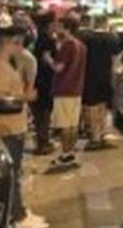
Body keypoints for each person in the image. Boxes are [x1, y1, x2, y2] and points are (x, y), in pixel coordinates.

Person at [0, 27, 48, 228]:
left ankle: (19, 211)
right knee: (12, 174)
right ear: (7, 44)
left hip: (9, 127)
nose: (20, 48)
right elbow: (0, 100)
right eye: (18, 43)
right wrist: (26, 97)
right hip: (6, 128)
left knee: (15, 172)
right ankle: (17, 216)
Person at [45, 17, 87, 169]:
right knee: (73, 124)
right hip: (76, 89)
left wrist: (48, 59)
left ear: (67, 28)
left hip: (64, 89)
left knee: (64, 125)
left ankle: (65, 154)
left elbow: (59, 68)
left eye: (59, 26)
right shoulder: (81, 45)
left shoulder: (67, 45)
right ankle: (70, 153)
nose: (56, 29)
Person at [79, 15, 116, 149]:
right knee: (103, 106)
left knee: (92, 106)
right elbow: (115, 59)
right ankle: (103, 133)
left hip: (90, 76)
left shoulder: (87, 39)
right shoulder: (112, 38)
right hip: (106, 76)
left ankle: (94, 136)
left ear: (94, 23)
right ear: (106, 23)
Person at [30, 11, 56, 155]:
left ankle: (42, 141)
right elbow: (47, 59)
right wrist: (56, 67)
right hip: (45, 80)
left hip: (37, 78)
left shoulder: (36, 37)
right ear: (49, 24)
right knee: (44, 112)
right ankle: (43, 143)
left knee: (40, 112)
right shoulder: (47, 40)